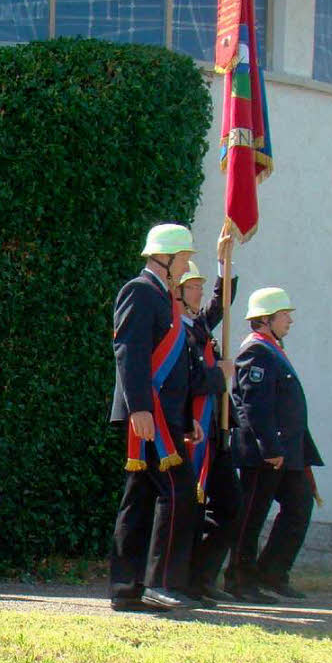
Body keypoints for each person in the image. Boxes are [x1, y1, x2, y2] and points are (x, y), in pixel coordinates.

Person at [109, 224, 207, 611]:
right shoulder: (140, 291)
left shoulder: (165, 298)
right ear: (164, 258)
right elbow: (129, 352)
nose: (186, 266)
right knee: (177, 491)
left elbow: (177, 369)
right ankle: (159, 583)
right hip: (147, 418)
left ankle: (127, 589)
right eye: (182, 259)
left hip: (163, 420)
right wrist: (139, 408)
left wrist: (184, 420)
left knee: (139, 500)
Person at [225, 287, 323, 601]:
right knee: (252, 515)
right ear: (266, 319)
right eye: (284, 314)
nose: (290, 320)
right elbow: (254, 406)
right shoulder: (256, 352)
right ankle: (239, 580)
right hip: (265, 453)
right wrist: (270, 448)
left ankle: (272, 572)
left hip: (285, 453)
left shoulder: (271, 350)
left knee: (299, 505)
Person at [179, 236, 240, 603]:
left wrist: (223, 265)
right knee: (192, 509)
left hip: (216, 430)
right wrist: (219, 373)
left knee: (231, 506)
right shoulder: (175, 330)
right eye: (195, 286)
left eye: (202, 286)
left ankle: (201, 576)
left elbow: (220, 307)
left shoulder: (197, 326)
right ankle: (186, 581)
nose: (201, 293)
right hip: (192, 431)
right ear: (179, 292)